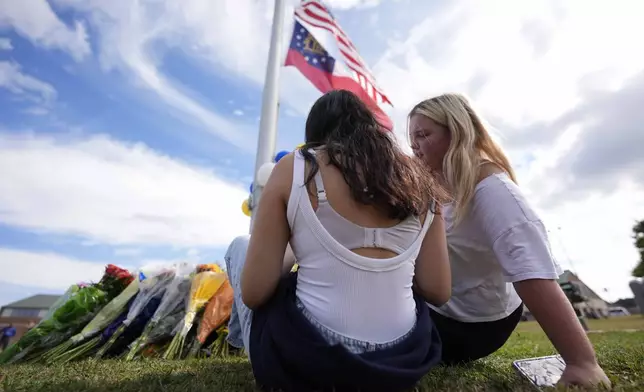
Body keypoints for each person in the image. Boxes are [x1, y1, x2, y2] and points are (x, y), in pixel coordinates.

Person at [225, 89, 451, 391]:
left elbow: (253, 293)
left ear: (315, 135)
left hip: (310, 360)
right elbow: (438, 290)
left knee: (240, 245)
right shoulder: (420, 179)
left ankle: (244, 349)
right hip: (400, 361)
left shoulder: (294, 168)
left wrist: (296, 246)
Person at [408, 93, 610, 388]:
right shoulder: (436, 189)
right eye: (412, 139)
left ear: (458, 133)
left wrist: (582, 362)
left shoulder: (493, 191)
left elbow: (532, 272)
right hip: (444, 313)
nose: (415, 147)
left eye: (423, 135)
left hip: (472, 326)